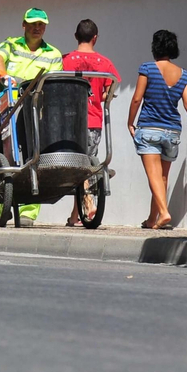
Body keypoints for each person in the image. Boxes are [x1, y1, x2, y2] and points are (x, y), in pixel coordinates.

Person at [0, 7, 64, 224]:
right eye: (32, 23)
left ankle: (29, 212)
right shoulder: (11, 44)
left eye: (41, 24)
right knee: (0, 153)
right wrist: (4, 75)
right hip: (8, 106)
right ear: (24, 25)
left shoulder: (54, 54)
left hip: (35, 109)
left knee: (33, 152)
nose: (37, 28)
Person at [127, 29, 187, 230]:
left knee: (154, 177)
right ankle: (152, 220)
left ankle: (164, 212)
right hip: (172, 132)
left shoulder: (147, 68)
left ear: (155, 47)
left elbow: (137, 98)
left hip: (149, 128)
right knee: (162, 177)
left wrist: (130, 121)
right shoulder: (184, 75)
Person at [61, 18, 120, 227]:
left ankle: (78, 212)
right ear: (95, 38)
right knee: (87, 163)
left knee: (80, 164)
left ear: (76, 37)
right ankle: (85, 205)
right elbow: (108, 93)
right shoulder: (105, 63)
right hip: (93, 120)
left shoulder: (65, 60)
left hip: (68, 121)